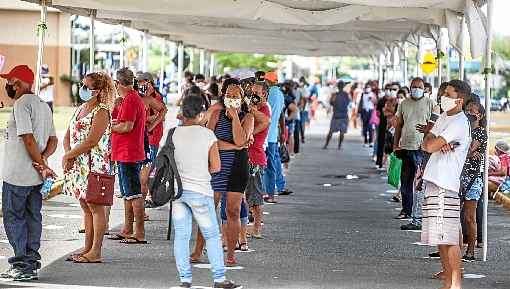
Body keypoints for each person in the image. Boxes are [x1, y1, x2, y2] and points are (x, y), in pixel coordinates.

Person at [172, 89, 241, 289]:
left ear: (183, 113)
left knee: (182, 235)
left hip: (178, 192)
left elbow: (166, 163)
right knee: (211, 235)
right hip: (200, 191)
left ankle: (185, 280)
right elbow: (216, 167)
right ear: (201, 114)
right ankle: (219, 279)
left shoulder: (173, 133)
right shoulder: (208, 135)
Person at [0, 65, 58, 281]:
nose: (8, 85)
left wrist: (39, 163)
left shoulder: (22, 104)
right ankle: (30, 264)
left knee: (14, 218)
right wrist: (42, 161)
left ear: (22, 83)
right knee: (33, 218)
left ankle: (23, 266)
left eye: (11, 81)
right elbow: (53, 140)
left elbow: (27, 137)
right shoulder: (43, 105)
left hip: (17, 175)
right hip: (35, 177)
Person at [421, 79, 472, 289]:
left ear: (459, 100)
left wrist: (433, 142)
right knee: (440, 237)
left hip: (444, 184)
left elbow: (430, 145)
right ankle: (448, 281)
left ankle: (455, 283)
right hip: (435, 182)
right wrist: (433, 141)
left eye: (448, 94)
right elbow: (427, 140)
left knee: (449, 238)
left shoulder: (459, 122)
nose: (443, 97)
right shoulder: (445, 116)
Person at [62, 72, 114, 263]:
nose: (82, 89)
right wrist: (69, 155)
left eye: (87, 86)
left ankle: (96, 251)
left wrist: (69, 155)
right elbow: (68, 135)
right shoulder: (81, 108)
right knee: (85, 206)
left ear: (98, 90)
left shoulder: (101, 111)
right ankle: (87, 247)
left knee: (95, 207)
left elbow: (92, 140)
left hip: (95, 166)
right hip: (79, 165)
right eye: (82, 85)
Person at [207, 78, 254, 266]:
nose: (231, 98)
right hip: (218, 166)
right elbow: (210, 140)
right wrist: (235, 147)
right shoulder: (216, 114)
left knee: (232, 210)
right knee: (211, 208)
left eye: (235, 96)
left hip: (237, 167)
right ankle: (204, 248)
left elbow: (241, 139)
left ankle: (231, 254)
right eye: (228, 95)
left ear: (242, 99)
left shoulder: (247, 117)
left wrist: (234, 116)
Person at [109, 67, 147, 244]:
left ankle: (139, 232)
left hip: (128, 153)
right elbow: (123, 122)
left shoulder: (131, 99)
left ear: (118, 83)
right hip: (125, 152)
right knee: (127, 194)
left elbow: (127, 126)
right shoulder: (128, 99)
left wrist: (108, 128)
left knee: (134, 194)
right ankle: (127, 228)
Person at [393, 77, 434, 219]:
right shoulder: (404, 104)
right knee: (405, 180)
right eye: (414, 87)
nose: (416, 89)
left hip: (422, 148)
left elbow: (437, 125)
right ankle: (406, 210)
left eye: (419, 87)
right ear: (410, 88)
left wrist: (429, 130)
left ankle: (421, 212)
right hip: (406, 146)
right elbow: (398, 125)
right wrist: (395, 145)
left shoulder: (431, 104)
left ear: (424, 89)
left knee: (422, 181)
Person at [135, 73, 168, 212]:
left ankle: (149, 195)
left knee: (149, 168)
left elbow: (159, 114)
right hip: (147, 136)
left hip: (151, 136)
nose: (140, 85)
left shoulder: (155, 97)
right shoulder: (142, 96)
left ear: (148, 82)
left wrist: (148, 123)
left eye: (141, 82)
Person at [459, 99, 487, 262]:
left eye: (473, 110)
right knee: (454, 215)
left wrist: (465, 151)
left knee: (469, 217)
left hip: (473, 178)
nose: (469, 112)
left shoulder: (480, 132)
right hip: (457, 176)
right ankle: (455, 247)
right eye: (467, 109)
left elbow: (466, 149)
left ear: (480, 115)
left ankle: (470, 251)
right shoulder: (462, 129)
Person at [246, 81, 271, 238]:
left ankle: (256, 228)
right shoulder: (256, 109)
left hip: (255, 157)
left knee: (255, 196)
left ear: (264, 95)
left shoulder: (263, 111)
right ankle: (252, 226)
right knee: (249, 195)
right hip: (249, 156)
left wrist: (251, 110)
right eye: (252, 91)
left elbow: (262, 124)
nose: (253, 95)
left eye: (257, 92)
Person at [263, 72, 286, 203]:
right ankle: (269, 193)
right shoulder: (280, 94)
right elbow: (282, 115)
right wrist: (283, 132)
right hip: (272, 135)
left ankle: (268, 194)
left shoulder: (268, 93)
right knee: (270, 165)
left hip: (265, 135)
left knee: (265, 166)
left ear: (269, 81)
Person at [323, 80, 350, 150]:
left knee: (331, 131)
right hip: (343, 115)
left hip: (337, 115)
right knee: (341, 132)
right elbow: (347, 103)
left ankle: (326, 145)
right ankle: (339, 145)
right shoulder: (345, 94)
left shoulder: (335, 94)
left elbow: (331, 103)